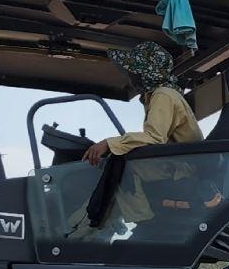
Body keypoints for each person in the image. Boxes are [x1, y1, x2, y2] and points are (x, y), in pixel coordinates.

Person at [79, 41, 208, 233]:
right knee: (120, 159)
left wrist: (108, 144)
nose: (130, 75)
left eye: (133, 71)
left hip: (182, 169)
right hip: (178, 164)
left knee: (122, 164)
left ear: (146, 72)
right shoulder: (163, 94)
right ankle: (110, 217)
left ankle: (144, 222)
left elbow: (154, 138)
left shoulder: (164, 95)